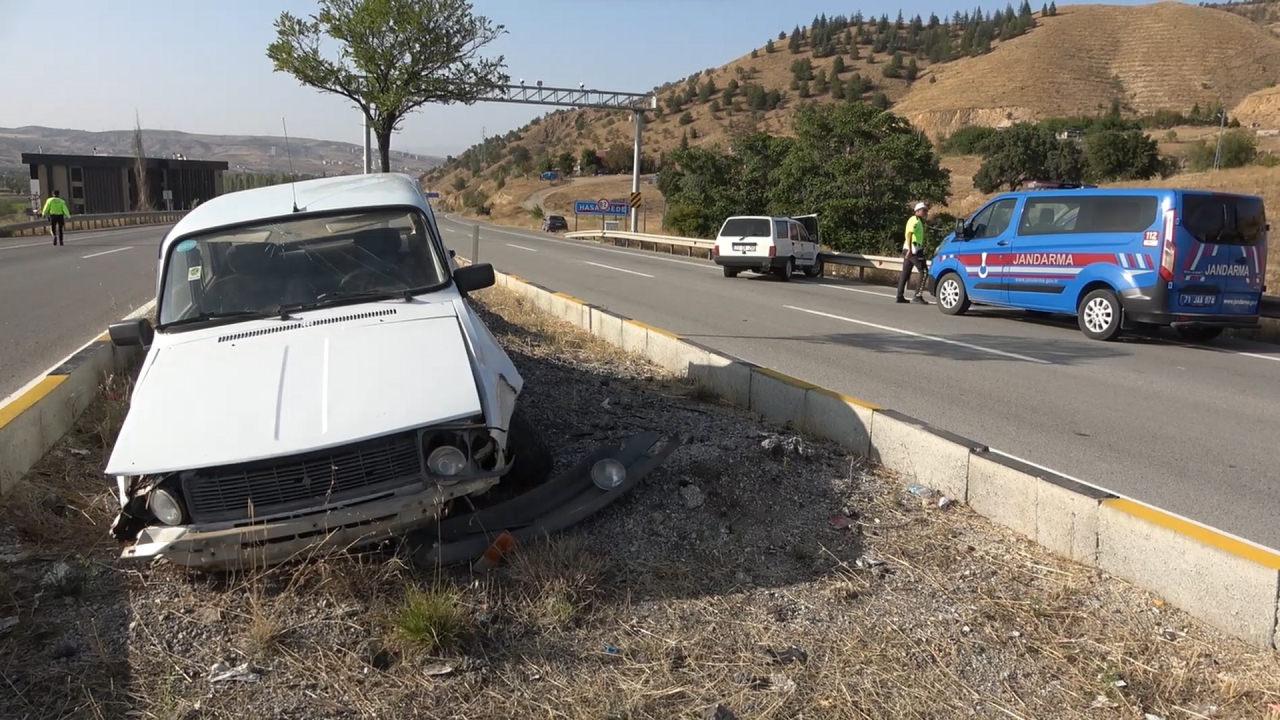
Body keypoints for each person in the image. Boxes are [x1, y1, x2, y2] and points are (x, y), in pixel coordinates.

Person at [896, 202, 930, 304]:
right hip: (913, 250)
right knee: (924, 271)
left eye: (926, 210)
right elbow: (909, 234)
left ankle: (899, 296)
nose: (925, 212)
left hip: (911, 249)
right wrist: (910, 250)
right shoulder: (914, 220)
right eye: (924, 210)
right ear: (917, 211)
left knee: (905, 273)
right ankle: (917, 296)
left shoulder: (918, 221)